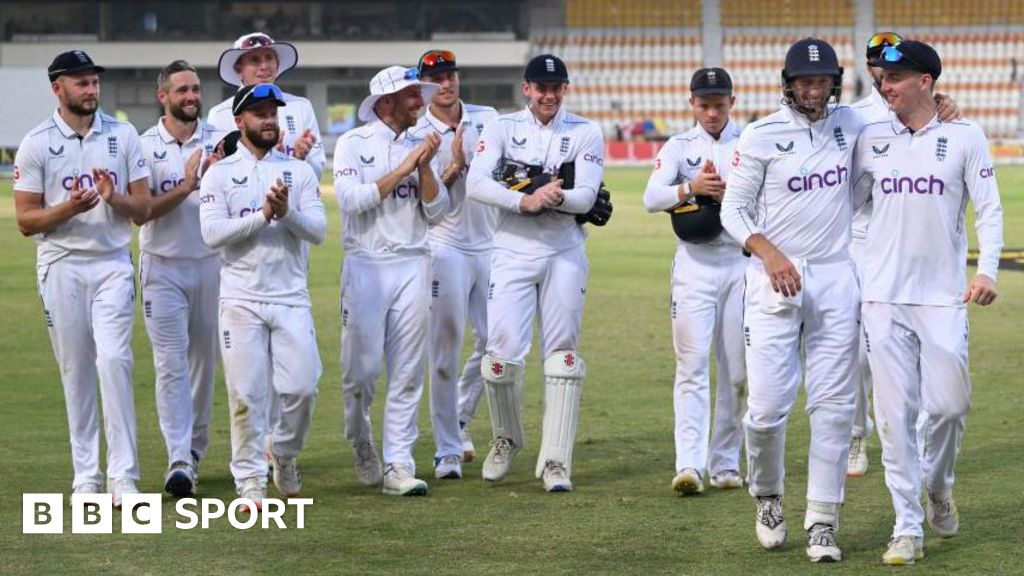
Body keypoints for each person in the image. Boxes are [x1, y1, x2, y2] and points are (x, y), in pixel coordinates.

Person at [851, 40, 1003, 565]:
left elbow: (988, 208)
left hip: (942, 297)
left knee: (949, 407)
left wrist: (986, 270)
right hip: (882, 298)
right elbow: (840, 202)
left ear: (926, 82)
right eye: (880, 80)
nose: (884, 86)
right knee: (893, 418)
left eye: (895, 78)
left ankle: (939, 484)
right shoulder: (868, 137)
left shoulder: (964, 136)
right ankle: (906, 527)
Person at [720, 38, 865, 562]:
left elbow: (904, 113)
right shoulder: (761, 135)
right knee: (766, 411)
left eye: (822, 79)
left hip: (833, 277)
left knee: (833, 409)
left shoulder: (852, 123)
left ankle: (823, 520)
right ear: (788, 83)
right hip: (773, 280)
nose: (813, 88)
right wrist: (767, 252)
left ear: (834, 81)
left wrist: (943, 106)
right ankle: (768, 497)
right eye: (804, 80)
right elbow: (733, 211)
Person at [13, 50, 151, 507]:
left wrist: (114, 200)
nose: (91, 90)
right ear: (58, 88)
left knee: (114, 361)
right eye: (81, 83)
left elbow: (144, 210)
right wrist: (68, 209)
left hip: (112, 263)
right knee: (76, 373)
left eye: (94, 82)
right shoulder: (36, 142)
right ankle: (86, 476)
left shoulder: (124, 135)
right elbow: (27, 221)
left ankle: (123, 477)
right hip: (61, 266)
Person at [466, 54, 604, 493]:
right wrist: (524, 200)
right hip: (511, 250)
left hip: (564, 250)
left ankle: (557, 461)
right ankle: (507, 437)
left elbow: (586, 198)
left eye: (556, 87)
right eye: (540, 87)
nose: (548, 95)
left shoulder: (585, 130)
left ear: (565, 88)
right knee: (499, 359)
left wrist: (548, 195)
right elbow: (476, 183)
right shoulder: (502, 127)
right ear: (526, 88)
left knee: (563, 356)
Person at [199, 83, 326, 508]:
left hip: (290, 295)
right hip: (240, 298)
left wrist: (287, 213)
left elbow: (319, 232)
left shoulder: (299, 171)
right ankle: (250, 479)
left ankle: (284, 454)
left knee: (304, 388)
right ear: (240, 121)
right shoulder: (219, 174)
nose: (270, 120)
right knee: (247, 395)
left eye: (273, 113)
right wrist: (263, 216)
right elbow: (213, 234)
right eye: (259, 113)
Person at [333, 66, 448, 496]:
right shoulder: (352, 144)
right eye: (412, 95)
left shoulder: (424, 144)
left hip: (414, 261)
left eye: (420, 93)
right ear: (386, 102)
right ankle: (361, 440)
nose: (421, 101)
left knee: (407, 371)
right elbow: (352, 200)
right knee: (360, 374)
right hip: (366, 263)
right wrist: (405, 166)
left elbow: (438, 212)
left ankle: (399, 463)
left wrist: (427, 170)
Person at [643, 67, 747, 496]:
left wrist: (730, 193)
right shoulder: (677, 147)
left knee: (738, 373)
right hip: (695, 267)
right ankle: (690, 464)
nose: (711, 113)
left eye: (719, 105)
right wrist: (692, 187)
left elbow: (769, 197)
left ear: (731, 103)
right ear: (692, 103)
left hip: (741, 266)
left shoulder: (750, 141)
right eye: (703, 105)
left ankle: (724, 463)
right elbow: (652, 198)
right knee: (691, 366)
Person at [138, 60, 229, 497]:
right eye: (182, 91)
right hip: (162, 266)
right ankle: (178, 458)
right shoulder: (142, 146)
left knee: (202, 365)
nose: (192, 97)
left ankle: (194, 452)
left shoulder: (220, 142)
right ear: (164, 96)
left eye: (195, 89)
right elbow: (143, 212)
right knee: (169, 365)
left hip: (211, 264)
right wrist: (190, 183)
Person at [408, 49, 499, 479]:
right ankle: (446, 449)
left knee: (497, 343)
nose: (445, 84)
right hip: (444, 246)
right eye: (436, 78)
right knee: (444, 350)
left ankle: (460, 418)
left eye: (450, 75)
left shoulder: (488, 118)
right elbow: (427, 207)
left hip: (492, 245)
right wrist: (454, 166)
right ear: (425, 85)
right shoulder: (417, 132)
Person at [846, 31, 903, 477]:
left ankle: (904, 437)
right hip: (862, 240)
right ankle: (856, 434)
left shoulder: (926, 108)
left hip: (906, 242)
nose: (886, 68)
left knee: (901, 346)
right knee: (858, 350)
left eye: (894, 61)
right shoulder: (853, 116)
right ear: (870, 68)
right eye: (880, 62)